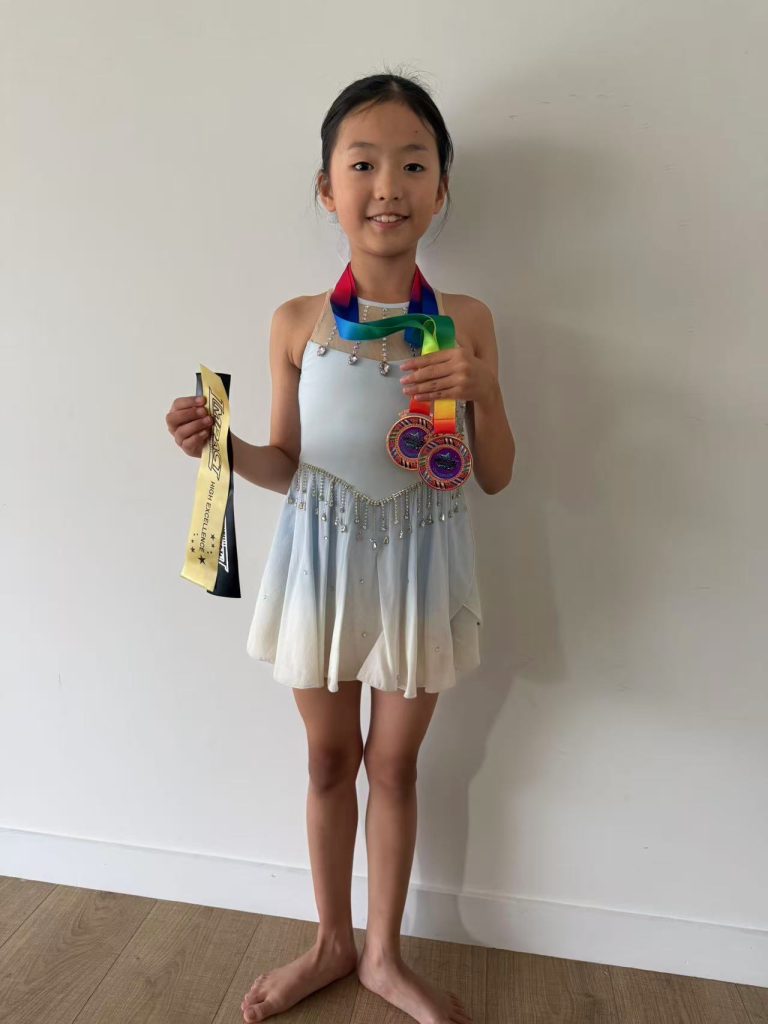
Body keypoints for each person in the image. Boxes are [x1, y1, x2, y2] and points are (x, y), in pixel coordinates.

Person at [166, 71, 515, 1024]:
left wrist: (482, 388)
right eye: (362, 165)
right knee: (328, 763)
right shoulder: (297, 323)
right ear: (328, 188)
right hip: (319, 567)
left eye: (414, 164)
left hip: (419, 569)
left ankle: (385, 958)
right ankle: (331, 941)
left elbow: (494, 475)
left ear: (441, 189)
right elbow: (286, 463)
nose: (387, 186)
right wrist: (219, 448)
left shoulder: (466, 322)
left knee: (394, 767)